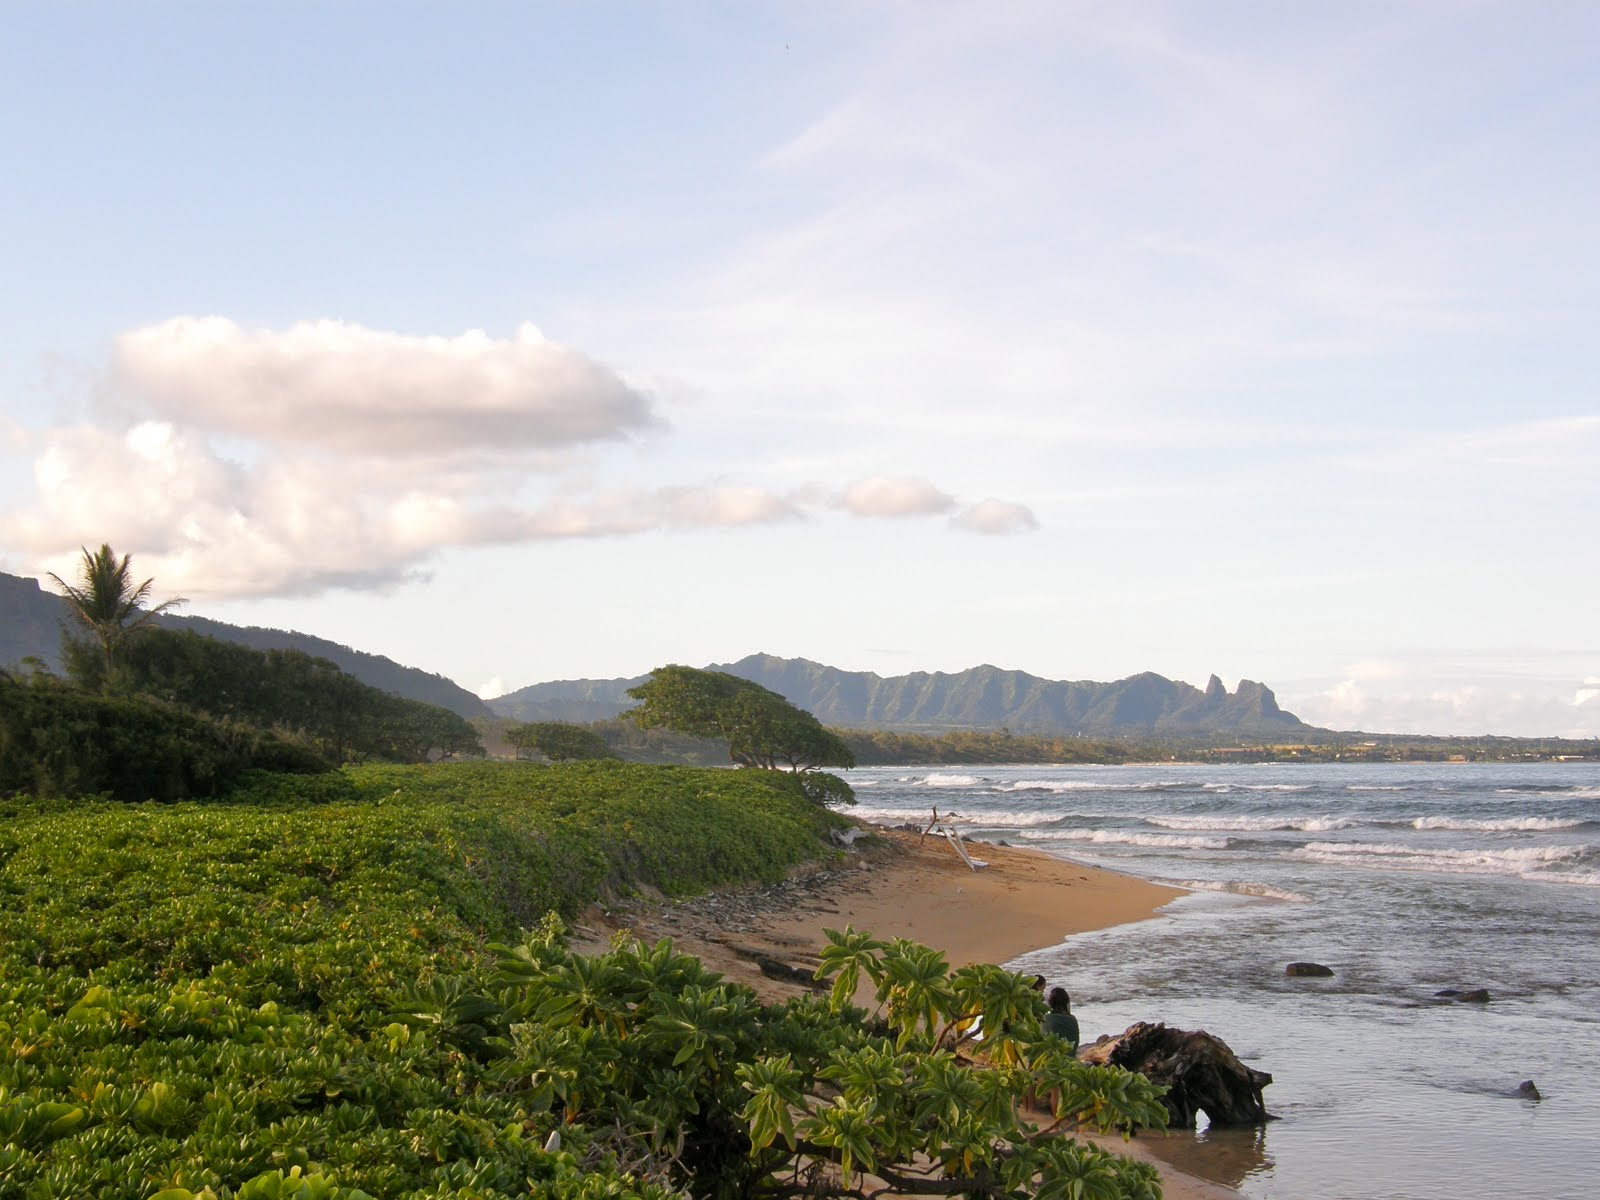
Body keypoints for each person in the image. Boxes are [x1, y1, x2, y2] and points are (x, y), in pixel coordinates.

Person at [1041, 986, 1079, 1054]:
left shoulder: (1046, 1019)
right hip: (1069, 1059)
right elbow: (1075, 1043)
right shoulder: (1072, 1020)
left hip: (1048, 1059)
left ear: (1051, 1003)